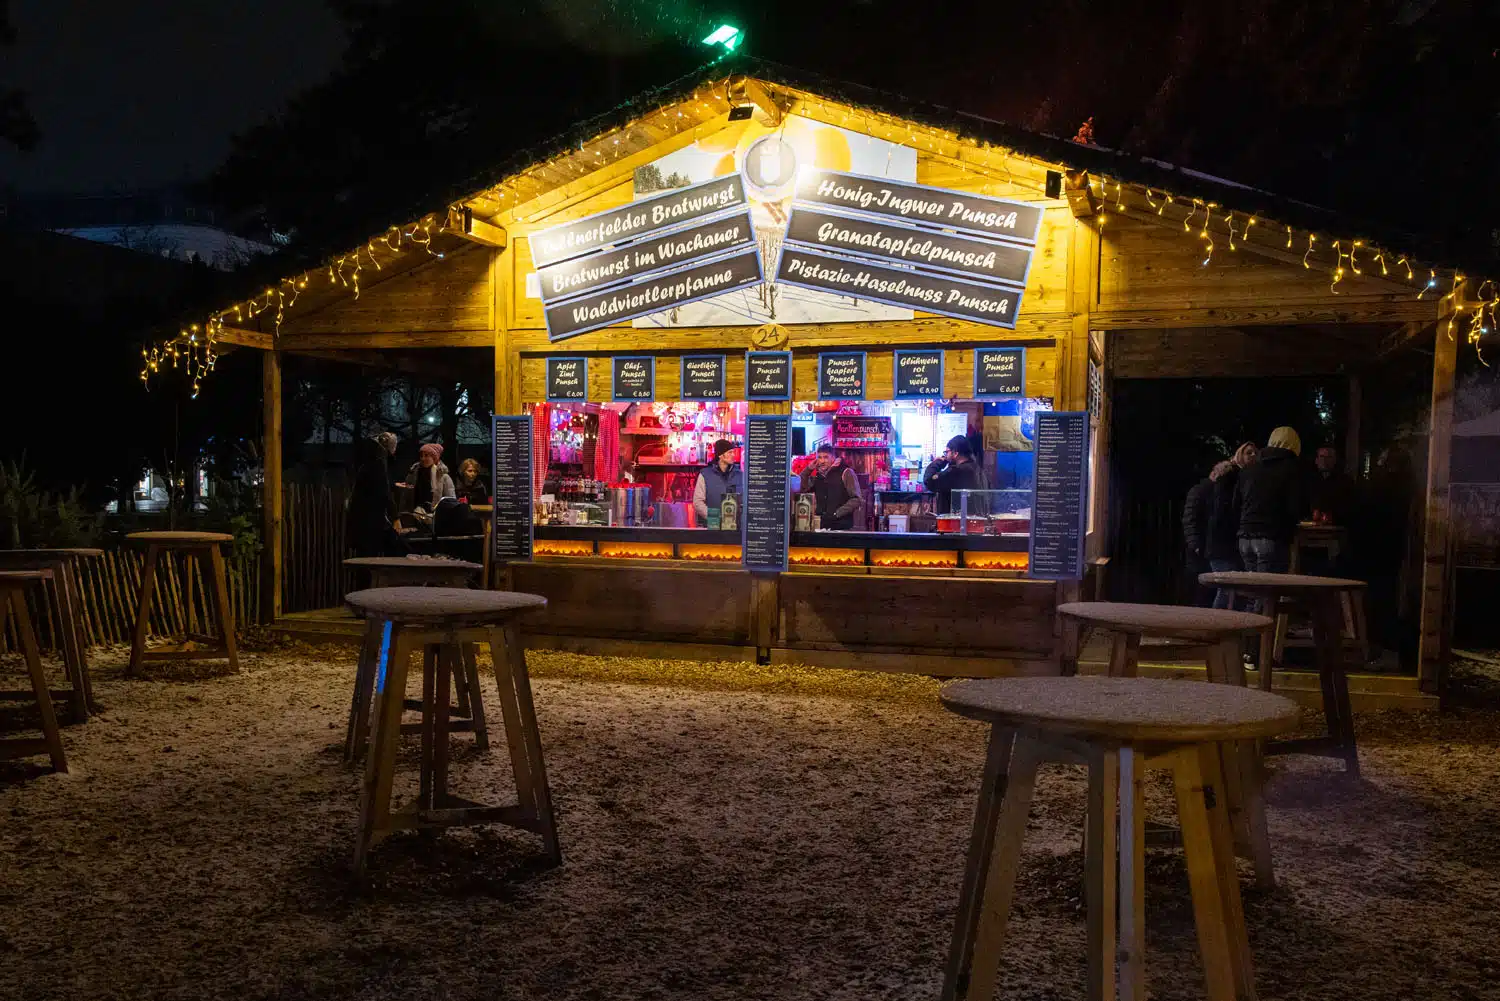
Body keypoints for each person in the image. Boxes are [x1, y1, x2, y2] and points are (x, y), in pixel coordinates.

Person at [1234, 426, 1303, 575]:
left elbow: (1236, 504)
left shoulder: (1249, 469)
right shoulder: (1291, 468)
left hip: (1245, 538)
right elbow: (1294, 506)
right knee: (1269, 591)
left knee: (1253, 590)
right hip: (1271, 536)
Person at [347, 431, 401, 557]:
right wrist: (395, 517)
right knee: (372, 557)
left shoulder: (368, 461)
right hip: (369, 521)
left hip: (361, 518)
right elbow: (383, 491)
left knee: (365, 557)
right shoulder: (378, 463)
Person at [800, 444, 864, 531]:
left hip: (842, 527)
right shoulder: (818, 475)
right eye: (819, 457)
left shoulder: (846, 472)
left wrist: (837, 513)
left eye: (826, 457)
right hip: (821, 527)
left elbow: (857, 499)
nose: (822, 461)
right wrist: (808, 469)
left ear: (833, 458)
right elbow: (802, 489)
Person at [923, 435, 985, 514]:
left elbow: (928, 481)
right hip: (975, 520)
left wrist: (939, 462)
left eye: (947, 452)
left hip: (954, 522)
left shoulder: (956, 471)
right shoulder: (979, 470)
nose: (945, 455)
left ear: (955, 453)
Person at [403, 442, 456, 531]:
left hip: (436, 520)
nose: (423, 458)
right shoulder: (413, 475)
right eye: (421, 455)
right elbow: (406, 498)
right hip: (414, 518)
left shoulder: (443, 477)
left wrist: (437, 516)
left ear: (434, 458)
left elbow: (450, 501)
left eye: (427, 455)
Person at [693, 439, 740, 526]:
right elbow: (697, 502)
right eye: (730, 452)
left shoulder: (739, 474)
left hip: (734, 529)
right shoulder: (705, 475)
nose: (733, 455)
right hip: (712, 527)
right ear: (720, 455)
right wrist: (715, 517)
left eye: (733, 452)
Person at [1309, 444, 1356, 527]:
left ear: (1334, 460)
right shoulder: (1308, 481)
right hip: (1310, 529)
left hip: (1337, 529)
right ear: (1316, 460)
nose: (1324, 460)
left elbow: (1351, 508)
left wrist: (1333, 516)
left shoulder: (1345, 481)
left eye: (1328, 457)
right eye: (1322, 457)